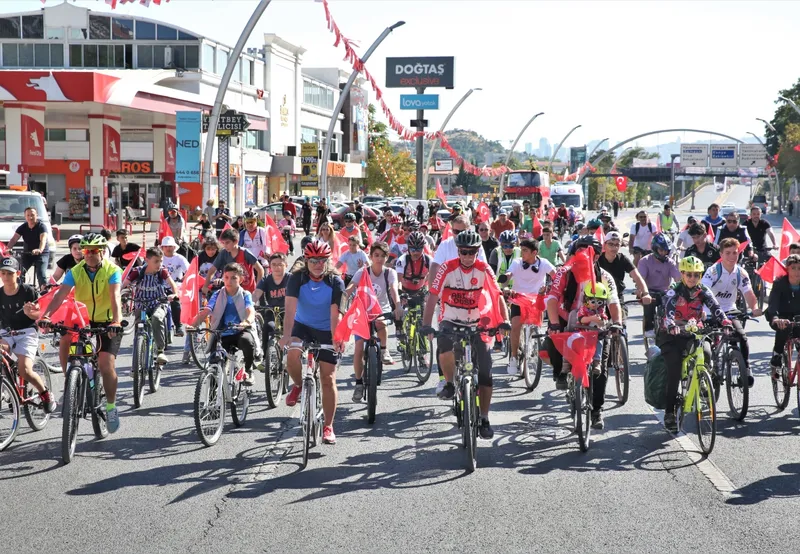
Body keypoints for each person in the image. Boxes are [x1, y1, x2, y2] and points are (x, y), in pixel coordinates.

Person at [422, 230, 510, 439]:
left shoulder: (484, 268)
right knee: (444, 345)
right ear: (458, 251)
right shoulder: (447, 268)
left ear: (478, 251)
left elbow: (497, 295)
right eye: (464, 252)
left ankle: (485, 418)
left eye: (472, 252)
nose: (468, 257)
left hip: (478, 322)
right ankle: (451, 383)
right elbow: (433, 296)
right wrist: (426, 324)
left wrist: (504, 320)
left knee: (486, 372)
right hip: (451, 320)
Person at [38, 233, 124, 433]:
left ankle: (110, 406)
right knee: (66, 336)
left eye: (93, 251)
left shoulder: (113, 270)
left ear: (102, 251)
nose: (89, 255)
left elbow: (116, 296)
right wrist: (47, 316)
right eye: (86, 251)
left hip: (107, 321)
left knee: (105, 365)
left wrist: (116, 321)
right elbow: (60, 295)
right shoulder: (76, 271)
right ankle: (72, 378)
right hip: (83, 318)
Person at [544, 236, 623, 429]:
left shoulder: (604, 275)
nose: (586, 257)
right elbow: (552, 299)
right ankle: (561, 374)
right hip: (568, 318)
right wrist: (554, 324)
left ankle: (596, 411)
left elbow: (613, 302)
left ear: (597, 256)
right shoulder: (564, 272)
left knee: (601, 369)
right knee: (552, 343)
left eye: (592, 254)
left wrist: (617, 323)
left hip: (596, 324)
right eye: (581, 252)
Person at [279, 239, 344, 445]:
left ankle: (328, 426)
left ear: (328, 260)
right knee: (292, 354)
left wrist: (336, 339)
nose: (318, 264)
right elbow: (289, 311)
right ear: (306, 261)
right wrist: (286, 336)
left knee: (328, 378)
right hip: (303, 326)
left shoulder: (336, 282)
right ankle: (298, 384)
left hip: (327, 329)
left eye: (322, 260)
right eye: (313, 260)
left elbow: (336, 315)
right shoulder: (296, 279)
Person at [658, 256, 730, 433]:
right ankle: (669, 412)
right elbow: (668, 310)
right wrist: (671, 325)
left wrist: (725, 321)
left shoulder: (703, 290)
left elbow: (716, 307)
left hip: (693, 332)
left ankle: (703, 381)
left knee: (706, 351)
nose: (692, 278)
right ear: (682, 274)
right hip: (671, 335)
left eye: (696, 275)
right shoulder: (674, 291)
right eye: (688, 274)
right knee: (674, 372)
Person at [347, 241, 402, 401]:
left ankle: (384, 350)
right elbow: (351, 285)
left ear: (386, 258)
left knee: (381, 323)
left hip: (381, 309)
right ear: (370, 257)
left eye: (382, 256)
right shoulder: (363, 271)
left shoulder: (389, 273)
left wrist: (397, 305)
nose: (379, 259)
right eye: (376, 255)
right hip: (362, 312)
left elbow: (393, 289)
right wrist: (344, 296)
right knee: (358, 348)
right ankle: (358, 383)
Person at [701, 237, 761, 383]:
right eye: (728, 253)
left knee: (742, 336)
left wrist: (754, 308)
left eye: (735, 253)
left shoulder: (741, 273)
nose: (732, 257)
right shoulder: (713, 271)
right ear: (721, 254)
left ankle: (745, 369)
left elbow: (749, 293)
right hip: (710, 310)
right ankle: (707, 373)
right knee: (706, 344)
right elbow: (704, 292)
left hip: (729, 310)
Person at [0, 257, 55, 414]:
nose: (5, 277)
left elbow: (39, 314)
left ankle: (44, 393)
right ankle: (9, 388)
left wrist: (30, 313)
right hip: (6, 333)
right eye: (2, 273)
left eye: (9, 274)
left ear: (17, 274)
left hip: (27, 332)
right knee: (1, 355)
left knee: (25, 370)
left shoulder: (27, 291)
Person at [191, 263, 258, 386]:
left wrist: (246, 322)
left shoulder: (245, 294)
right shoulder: (217, 295)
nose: (229, 281)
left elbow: (250, 311)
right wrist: (193, 324)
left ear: (241, 279)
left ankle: (249, 370)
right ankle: (211, 397)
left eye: (234, 278)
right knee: (215, 364)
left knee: (247, 341)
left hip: (240, 331)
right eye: (226, 277)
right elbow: (207, 310)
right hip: (221, 333)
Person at [501, 239, 555, 375]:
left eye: (525, 250)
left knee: (537, 327)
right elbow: (508, 275)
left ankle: (535, 344)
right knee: (516, 326)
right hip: (518, 298)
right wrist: (505, 283)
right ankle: (513, 357)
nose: (522, 253)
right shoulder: (517, 263)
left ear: (534, 252)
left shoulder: (544, 264)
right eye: (522, 250)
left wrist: (554, 287)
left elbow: (556, 276)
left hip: (537, 299)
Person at [122, 247, 179, 366]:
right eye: (156, 261)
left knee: (157, 318)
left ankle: (160, 351)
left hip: (158, 302)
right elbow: (124, 285)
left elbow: (172, 284)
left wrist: (175, 294)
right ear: (147, 260)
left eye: (161, 261)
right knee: (138, 329)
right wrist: (121, 295)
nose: (159, 264)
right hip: (141, 304)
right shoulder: (137, 272)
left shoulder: (162, 272)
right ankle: (136, 363)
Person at [638, 233, 681, 339]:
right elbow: (641, 279)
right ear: (655, 249)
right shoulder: (645, 261)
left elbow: (678, 279)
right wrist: (641, 291)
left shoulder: (670, 262)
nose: (663, 253)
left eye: (666, 251)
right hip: (649, 290)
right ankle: (649, 328)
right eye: (661, 250)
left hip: (665, 291)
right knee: (649, 303)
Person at [204, 228, 264, 297]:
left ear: (236, 241)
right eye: (223, 243)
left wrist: (258, 290)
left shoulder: (245, 253)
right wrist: (205, 286)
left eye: (227, 242)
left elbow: (260, 270)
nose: (225, 245)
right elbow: (212, 270)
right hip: (231, 291)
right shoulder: (223, 253)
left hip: (247, 291)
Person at [767, 254, 800, 378]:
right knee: (784, 328)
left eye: (799, 268)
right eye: (793, 268)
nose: (797, 272)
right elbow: (773, 303)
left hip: (798, 315)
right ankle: (777, 354)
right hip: (782, 315)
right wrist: (775, 318)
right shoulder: (780, 283)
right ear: (787, 269)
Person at [598, 231, 650, 305]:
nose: (614, 247)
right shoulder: (597, 259)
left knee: (621, 315)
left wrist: (645, 293)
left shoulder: (622, 259)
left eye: (617, 245)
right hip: (599, 298)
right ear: (604, 245)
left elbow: (637, 276)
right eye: (611, 244)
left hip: (617, 297)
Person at [571, 282, 610, 374]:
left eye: (599, 302)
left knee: (599, 343)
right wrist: (591, 318)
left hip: (594, 335)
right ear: (586, 300)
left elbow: (605, 320)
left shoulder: (600, 310)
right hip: (582, 332)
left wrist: (601, 321)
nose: (596, 304)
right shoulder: (583, 309)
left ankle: (597, 361)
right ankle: (569, 362)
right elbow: (581, 319)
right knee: (574, 341)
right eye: (593, 301)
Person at [7, 206, 50, 288]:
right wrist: (8, 248)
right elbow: (14, 239)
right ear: (25, 216)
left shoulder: (41, 226)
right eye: (28, 215)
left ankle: (44, 292)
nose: (30, 217)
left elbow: (43, 239)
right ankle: (19, 289)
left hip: (41, 254)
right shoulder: (23, 227)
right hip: (28, 254)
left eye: (32, 215)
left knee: (41, 274)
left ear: (36, 215)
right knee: (19, 272)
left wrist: (40, 249)